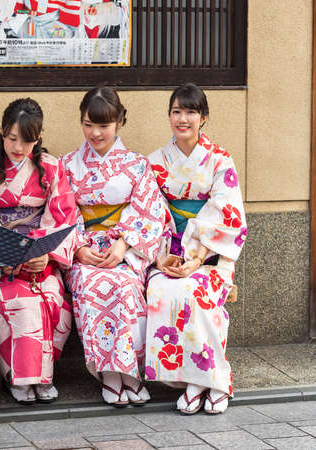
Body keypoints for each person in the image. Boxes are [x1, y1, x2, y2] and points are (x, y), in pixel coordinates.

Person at [144, 83, 247, 415]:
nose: (182, 118)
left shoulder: (219, 159)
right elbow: (151, 211)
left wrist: (198, 257)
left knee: (196, 292)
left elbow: (226, 211)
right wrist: (162, 257)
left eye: (190, 112)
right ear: (169, 116)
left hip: (210, 256)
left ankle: (213, 381)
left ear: (203, 117)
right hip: (170, 252)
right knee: (161, 290)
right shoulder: (156, 161)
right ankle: (192, 379)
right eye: (176, 111)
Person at [61, 86, 167, 407]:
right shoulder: (67, 165)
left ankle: (130, 373)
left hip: (124, 252)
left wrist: (123, 246)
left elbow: (151, 212)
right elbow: (62, 213)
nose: (95, 133)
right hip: (85, 252)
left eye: (103, 126)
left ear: (120, 122)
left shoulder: (136, 165)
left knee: (125, 286)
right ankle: (109, 375)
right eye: (88, 124)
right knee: (92, 284)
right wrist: (78, 248)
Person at [0, 98, 77, 404]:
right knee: (18, 298)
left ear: (39, 136)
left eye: (28, 140)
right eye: (12, 139)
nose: (18, 148)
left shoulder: (52, 168)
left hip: (39, 259)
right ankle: (20, 378)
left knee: (50, 295)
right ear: (2, 131)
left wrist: (45, 253)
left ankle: (42, 375)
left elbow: (63, 216)